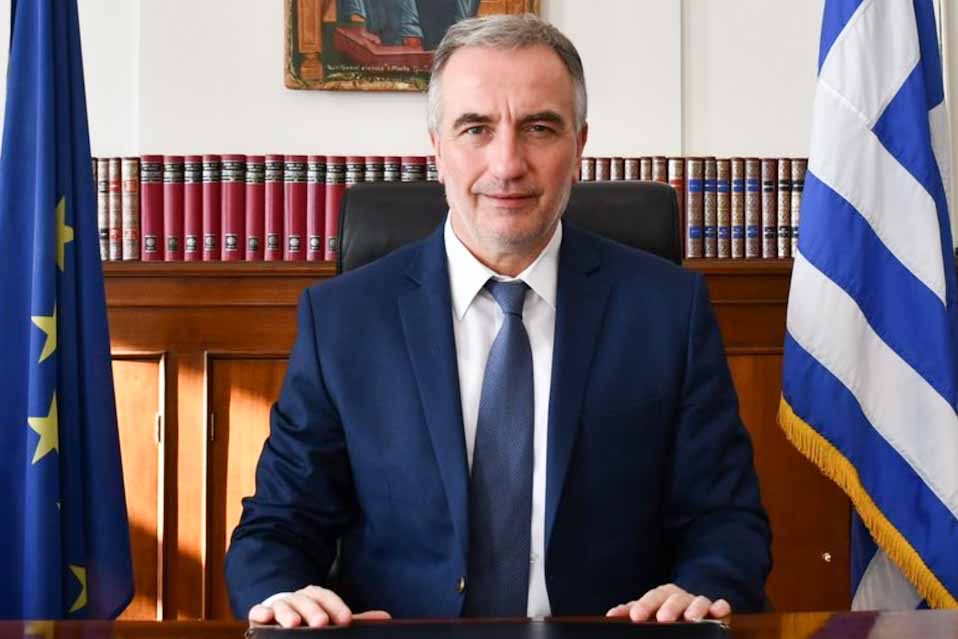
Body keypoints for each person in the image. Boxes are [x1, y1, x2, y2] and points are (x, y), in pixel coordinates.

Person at [225, 13, 771, 627]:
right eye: (476, 128)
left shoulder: (668, 312)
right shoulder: (344, 322)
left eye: (539, 128)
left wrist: (698, 591)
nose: (507, 163)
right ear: (437, 148)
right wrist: (283, 597)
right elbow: (277, 526)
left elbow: (726, 521)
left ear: (580, 146)